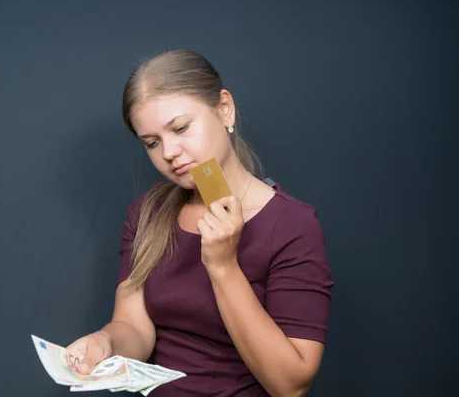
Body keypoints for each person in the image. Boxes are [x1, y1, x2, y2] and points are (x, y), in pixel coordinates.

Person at [65, 49, 334, 396]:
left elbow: (290, 385)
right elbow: (134, 326)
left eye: (180, 128)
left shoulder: (292, 226)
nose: (169, 153)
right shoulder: (147, 212)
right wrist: (105, 342)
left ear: (225, 109)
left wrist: (223, 266)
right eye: (152, 143)